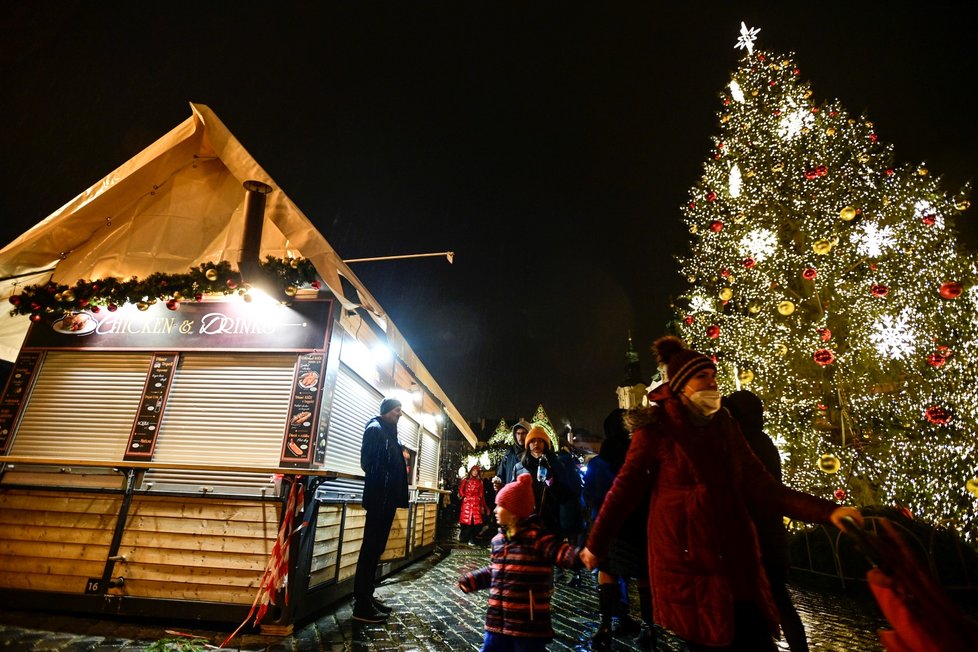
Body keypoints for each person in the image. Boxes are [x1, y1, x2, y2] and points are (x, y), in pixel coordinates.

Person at [580, 337, 864, 651]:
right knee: (713, 641)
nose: (712, 385)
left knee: (754, 639)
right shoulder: (656, 431)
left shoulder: (725, 425)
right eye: (703, 378)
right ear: (681, 385)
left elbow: (764, 487)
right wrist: (596, 545)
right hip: (689, 566)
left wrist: (829, 512)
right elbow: (624, 491)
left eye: (714, 378)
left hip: (738, 560)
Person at [723, 390, 809, 652]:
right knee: (779, 599)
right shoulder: (763, 441)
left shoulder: (743, 443)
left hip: (754, 536)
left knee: (762, 602)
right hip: (770, 532)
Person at [458, 473, 581, 651]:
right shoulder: (498, 541)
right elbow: (495, 571)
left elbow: (560, 552)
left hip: (527, 625)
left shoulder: (537, 539)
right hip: (497, 623)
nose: (494, 510)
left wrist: (582, 556)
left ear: (514, 512)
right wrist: (473, 580)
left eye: (500, 506)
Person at [583, 409, 653, 650]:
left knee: (608, 572)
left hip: (608, 527)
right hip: (637, 524)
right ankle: (648, 626)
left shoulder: (598, 463)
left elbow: (589, 494)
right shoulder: (638, 455)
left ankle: (605, 624)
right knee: (643, 574)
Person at [352, 397, 409, 623]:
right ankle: (361, 604)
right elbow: (369, 463)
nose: (400, 415)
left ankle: (367, 595)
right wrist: (386, 488)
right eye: (397, 411)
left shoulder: (388, 432)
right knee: (370, 549)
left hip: (386, 500)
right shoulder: (375, 430)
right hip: (379, 500)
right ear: (386, 411)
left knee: (376, 550)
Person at [513, 426, 571, 535]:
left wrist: (551, 480)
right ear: (528, 444)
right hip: (527, 519)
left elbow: (564, 493)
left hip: (550, 518)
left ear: (545, 444)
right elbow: (513, 493)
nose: (536, 444)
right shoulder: (519, 467)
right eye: (533, 441)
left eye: (540, 441)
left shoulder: (555, 464)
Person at [555, 426, 586, 587]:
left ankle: (563, 571)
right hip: (574, 509)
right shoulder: (572, 466)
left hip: (564, 509)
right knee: (572, 543)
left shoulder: (560, 462)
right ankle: (575, 572)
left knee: (561, 541)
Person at [458, 464, 489, 546]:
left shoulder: (480, 482)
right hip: (467, 502)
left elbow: (481, 493)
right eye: (473, 471)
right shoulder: (466, 480)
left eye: (476, 471)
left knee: (475, 522)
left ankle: (471, 538)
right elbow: (461, 490)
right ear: (471, 471)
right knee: (467, 521)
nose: (475, 472)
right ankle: (466, 538)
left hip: (475, 503)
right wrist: (464, 496)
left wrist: (480, 500)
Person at [493, 421, 528, 491]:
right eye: (518, 433)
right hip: (511, 493)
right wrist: (498, 483)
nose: (520, 437)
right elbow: (501, 474)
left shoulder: (533, 452)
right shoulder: (509, 453)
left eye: (523, 433)